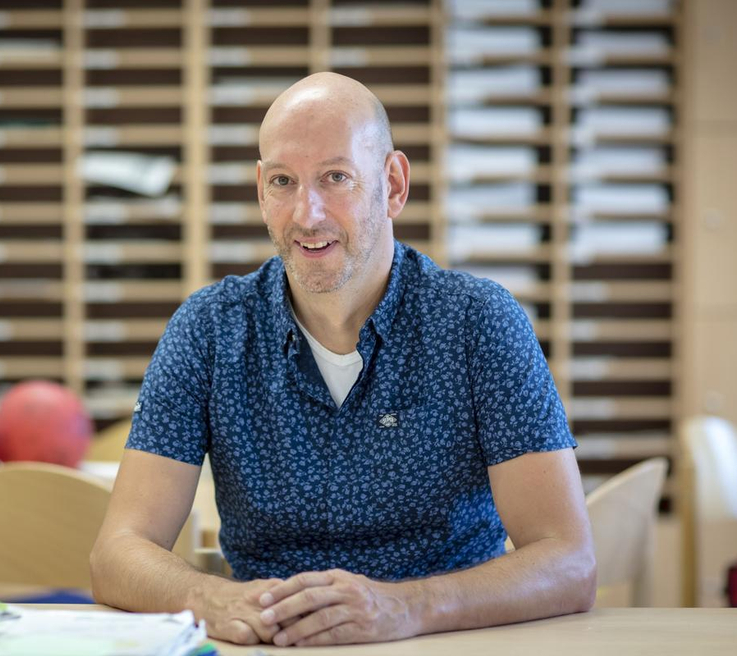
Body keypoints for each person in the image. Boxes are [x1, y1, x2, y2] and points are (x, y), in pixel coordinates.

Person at [90, 72, 596, 647]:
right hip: (271, 643)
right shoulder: (208, 330)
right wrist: (209, 595)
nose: (307, 214)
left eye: (336, 178)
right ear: (260, 191)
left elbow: (568, 562)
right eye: (283, 181)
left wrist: (407, 607)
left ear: (394, 184)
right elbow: (117, 553)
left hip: (445, 640)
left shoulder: (478, 322)